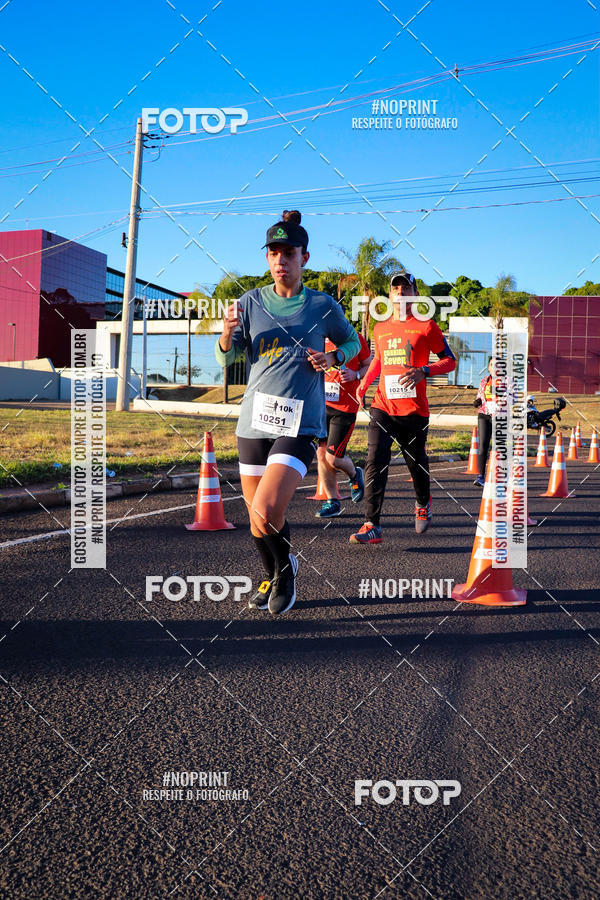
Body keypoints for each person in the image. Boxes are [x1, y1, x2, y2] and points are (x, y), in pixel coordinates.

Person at [215, 210, 360, 614]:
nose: (281, 260)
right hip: (253, 421)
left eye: (289, 253)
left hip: (301, 420)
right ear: (267, 258)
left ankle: (287, 575)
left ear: (304, 258)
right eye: (274, 253)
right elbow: (227, 361)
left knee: (267, 507)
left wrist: (333, 356)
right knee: (256, 519)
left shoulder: (321, 305)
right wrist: (226, 332)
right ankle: (275, 571)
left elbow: (353, 344)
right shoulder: (248, 303)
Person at [349, 271, 457, 544]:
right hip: (382, 406)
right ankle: (371, 524)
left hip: (413, 411)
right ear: (389, 295)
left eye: (405, 288)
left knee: (415, 463)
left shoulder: (427, 326)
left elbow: (450, 360)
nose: (399, 292)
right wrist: (363, 384)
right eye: (395, 288)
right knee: (375, 461)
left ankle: (423, 502)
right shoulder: (380, 327)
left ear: (415, 294)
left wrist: (424, 370)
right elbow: (379, 362)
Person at [315, 328, 371, 517]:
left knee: (333, 457)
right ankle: (332, 502)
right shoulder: (319, 339)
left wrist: (355, 375)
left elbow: (369, 365)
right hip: (322, 405)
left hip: (345, 408)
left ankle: (355, 474)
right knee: (321, 453)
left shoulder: (356, 339)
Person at [473, 356, 498, 487]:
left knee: (499, 448)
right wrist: (477, 401)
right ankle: (480, 476)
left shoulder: (508, 382)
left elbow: (513, 398)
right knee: (482, 446)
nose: (495, 368)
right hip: (484, 415)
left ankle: (500, 476)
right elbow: (480, 395)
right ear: (489, 367)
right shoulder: (484, 381)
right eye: (492, 365)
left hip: (500, 417)